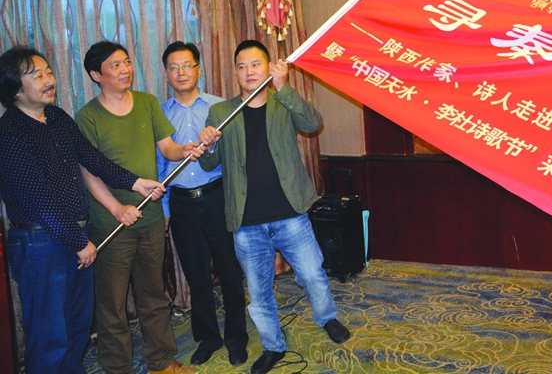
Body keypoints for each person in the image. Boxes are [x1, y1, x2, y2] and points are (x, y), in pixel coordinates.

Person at [0, 46, 165, 374]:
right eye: (37, 76)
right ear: (15, 89)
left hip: (75, 233)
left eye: (49, 72)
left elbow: (92, 159)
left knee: (77, 325)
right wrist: (78, 241)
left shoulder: (57, 117)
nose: (49, 80)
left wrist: (136, 183)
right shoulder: (9, 133)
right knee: (50, 334)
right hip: (40, 243)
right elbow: (38, 200)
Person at [198, 40, 350, 374]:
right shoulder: (222, 113)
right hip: (246, 221)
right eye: (242, 66)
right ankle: (272, 346)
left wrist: (285, 89)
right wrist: (207, 144)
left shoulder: (283, 102)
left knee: (312, 274)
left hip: (289, 212)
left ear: (268, 67)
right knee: (259, 291)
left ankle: (327, 318)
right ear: (235, 72)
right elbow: (209, 164)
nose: (249, 72)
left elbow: (312, 124)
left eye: (255, 64)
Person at [75, 41, 202, 374]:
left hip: (150, 218)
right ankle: (117, 367)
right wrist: (117, 208)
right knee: (112, 303)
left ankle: (161, 361)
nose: (125, 70)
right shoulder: (87, 117)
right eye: (115, 65)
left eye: (127, 62)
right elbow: (89, 173)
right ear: (96, 75)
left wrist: (183, 150)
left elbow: (167, 147)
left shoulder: (146, 103)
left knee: (154, 295)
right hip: (111, 223)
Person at [156, 41, 248, 366]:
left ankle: (237, 338)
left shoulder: (220, 107)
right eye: (173, 67)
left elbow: (236, 156)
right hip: (181, 203)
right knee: (196, 276)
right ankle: (208, 338)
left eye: (187, 65)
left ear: (198, 69)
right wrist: (165, 211)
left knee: (230, 271)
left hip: (216, 196)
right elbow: (160, 165)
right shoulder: (160, 114)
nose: (181, 72)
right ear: (166, 73)